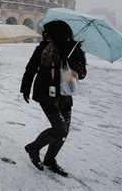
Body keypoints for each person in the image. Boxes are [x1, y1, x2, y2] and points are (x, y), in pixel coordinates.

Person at [20, 20, 87, 177]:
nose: (45, 35)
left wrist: (69, 63)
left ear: (57, 33)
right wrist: (25, 88)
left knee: (64, 132)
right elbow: (31, 68)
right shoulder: (43, 48)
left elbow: (82, 74)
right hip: (45, 92)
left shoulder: (75, 50)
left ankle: (50, 159)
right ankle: (34, 148)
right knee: (59, 128)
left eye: (48, 32)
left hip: (66, 90)